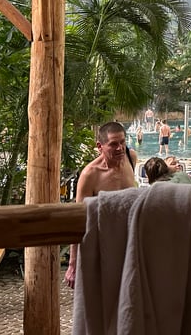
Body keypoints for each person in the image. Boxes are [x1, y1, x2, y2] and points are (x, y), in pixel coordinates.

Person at [65, 121, 137, 289]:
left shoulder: (130, 157)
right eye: (113, 144)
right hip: (103, 243)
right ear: (100, 146)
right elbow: (79, 219)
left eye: (122, 142)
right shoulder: (90, 175)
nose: (119, 148)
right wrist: (73, 264)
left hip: (129, 239)